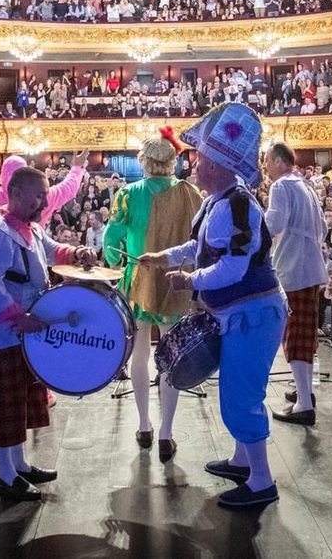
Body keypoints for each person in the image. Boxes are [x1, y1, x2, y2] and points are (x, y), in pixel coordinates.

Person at [140, 102, 288, 509]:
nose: (194, 163)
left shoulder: (237, 204)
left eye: (201, 158)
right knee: (236, 389)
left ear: (219, 166)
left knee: (241, 395)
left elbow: (234, 268)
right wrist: (164, 257)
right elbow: (199, 247)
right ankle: (243, 461)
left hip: (253, 314)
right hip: (239, 314)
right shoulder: (217, 201)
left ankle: (261, 480)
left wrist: (190, 279)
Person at [0, 165, 94, 503]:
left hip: (22, 332)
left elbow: (51, 248)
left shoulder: (28, 227)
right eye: (39, 196)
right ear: (15, 195)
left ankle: (19, 465)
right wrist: (18, 316)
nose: (44, 202)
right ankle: (5, 476)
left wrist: (75, 252)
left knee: (19, 401)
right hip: (2, 334)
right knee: (4, 405)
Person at [102, 128, 199, 460]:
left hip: (139, 280)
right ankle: (166, 433)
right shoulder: (190, 193)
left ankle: (144, 425)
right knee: (172, 353)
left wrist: (115, 260)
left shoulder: (129, 194)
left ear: (143, 161)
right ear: (173, 162)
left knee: (139, 351)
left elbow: (112, 240)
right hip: (177, 280)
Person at [264, 141, 329, 426]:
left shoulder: (281, 187)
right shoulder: (307, 186)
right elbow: (324, 229)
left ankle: (304, 404)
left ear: (279, 161)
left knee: (295, 335)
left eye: (266, 161)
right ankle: (305, 392)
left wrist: (252, 223)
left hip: (294, 267)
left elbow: (274, 224)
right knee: (305, 333)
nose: (265, 167)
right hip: (311, 265)